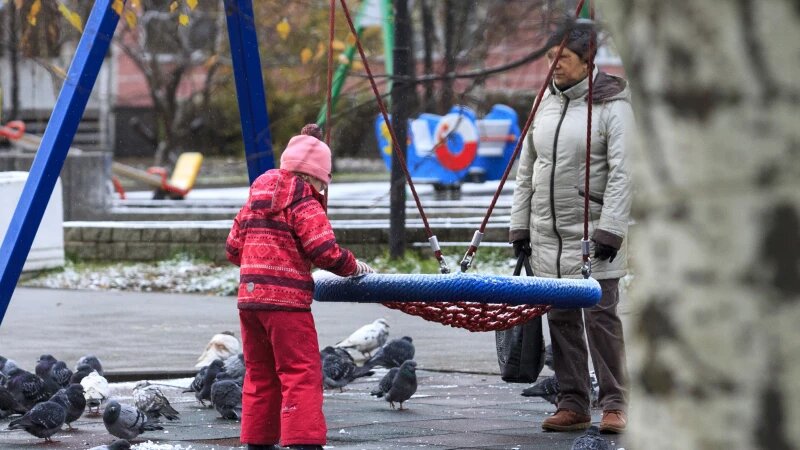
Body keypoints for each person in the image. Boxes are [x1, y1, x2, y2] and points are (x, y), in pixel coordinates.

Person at [509, 21, 634, 434]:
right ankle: (573, 402)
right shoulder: (543, 101)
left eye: (562, 58)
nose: (554, 66)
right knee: (560, 318)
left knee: (600, 319)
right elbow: (527, 168)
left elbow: (623, 172)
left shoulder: (613, 105)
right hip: (548, 233)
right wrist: (519, 227)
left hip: (593, 234)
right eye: (550, 58)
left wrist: (611, 229)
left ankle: (615, 403)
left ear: (588, 61)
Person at [226, 125, 374, 450]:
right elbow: (323, 250)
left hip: (250, 301)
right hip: (287, 304)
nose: (324, 188)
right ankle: (302, 442)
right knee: (300, 372)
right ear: (315, 176)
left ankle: (258, 441)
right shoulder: (303, 201)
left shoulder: (255, 198)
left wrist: (259, 262)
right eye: (325, 180)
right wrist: (352, 266)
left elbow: (233, 247)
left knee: (260, 374)